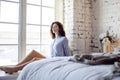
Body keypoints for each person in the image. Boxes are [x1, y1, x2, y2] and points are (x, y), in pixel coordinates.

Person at [0, 21, 69, 74]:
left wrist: (64, 65)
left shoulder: (64, 39)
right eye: (52, 27)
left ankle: (14, 69)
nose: (53, 28)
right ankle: (14, 67)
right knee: (33, 52)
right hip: (50, 59)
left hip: (57, 61)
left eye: (56, 26)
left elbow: (67, 55)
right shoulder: (53, 40)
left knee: (35, 59)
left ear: (59, 28)